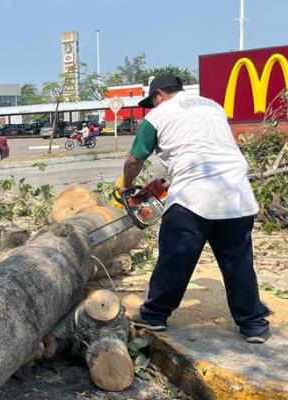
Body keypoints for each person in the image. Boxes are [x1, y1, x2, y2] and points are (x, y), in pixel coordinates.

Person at [119, 74, 271, 343]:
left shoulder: (157, 115)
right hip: (237, 192)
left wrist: (127, 186)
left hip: (193, 196)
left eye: (153, 101)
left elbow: (134, 160)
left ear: (158, 96)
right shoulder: (213, 106)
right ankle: (253, 324)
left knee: (176, 257)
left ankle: (154, 315)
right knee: (238, 262)